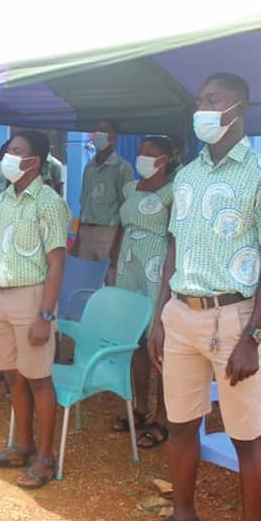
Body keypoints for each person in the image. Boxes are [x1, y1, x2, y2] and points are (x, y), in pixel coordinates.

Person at [131, 73, 261, 521]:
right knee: (180, 425)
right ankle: (184, 519)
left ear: (239, 108)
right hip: (182, 313)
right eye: (199, 101)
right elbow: (173, 248)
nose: (202, 109)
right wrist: (161, 316)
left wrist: (253, 335)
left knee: (246, 437)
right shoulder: (189, 175)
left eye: (212, 101)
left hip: (233, 318)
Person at [0, 130, 70, 489]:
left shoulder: (48, 202)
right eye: (8, 149)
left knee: (38, 378)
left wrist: (45, 315)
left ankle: (45, 458)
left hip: (32, 298)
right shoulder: (2, 200)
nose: (8, 155)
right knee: (12, 376)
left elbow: (57, 262)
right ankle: (21, 444)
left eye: (16, 151)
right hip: (2, 295)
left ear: (33, 161)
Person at [109, 135, 174, 449]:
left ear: (165, 160)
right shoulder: (130, 189)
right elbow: (121, 229)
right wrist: (113, 264)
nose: (142, 158)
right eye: (140, 152)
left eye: (150, 154)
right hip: (128, 268)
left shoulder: (172, 192)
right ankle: (140, 407)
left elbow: (175, 239)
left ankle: (163, 416)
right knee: (135, 342)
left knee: (158, 344)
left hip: (156, 271)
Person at [71, 119, 134, 285]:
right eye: (97, 131)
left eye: (104, 131)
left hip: (109, 233)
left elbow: (126, 209)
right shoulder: (89, 167)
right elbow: (84, 204)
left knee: (110, 279)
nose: (98, 135)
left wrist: (118, 244)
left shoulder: (122, 168)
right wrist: (77, 239)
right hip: (86, 232)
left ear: (114, 137)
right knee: (84, 281)